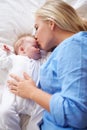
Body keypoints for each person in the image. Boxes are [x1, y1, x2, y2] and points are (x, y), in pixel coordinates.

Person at [8, 0, 87, 130]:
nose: (35, 35)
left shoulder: (74, 46)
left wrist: (32, 92)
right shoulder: (64, 50)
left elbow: (77, 115)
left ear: (51, 23)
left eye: (37, 27)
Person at [0, 34, 50, 130]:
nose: (38, 49)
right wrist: (4, 50)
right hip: (14, 95)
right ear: (22, 50)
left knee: (41, 114)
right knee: (5, 112)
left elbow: (47, 53)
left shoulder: (41, 61)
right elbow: (2, 61)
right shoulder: (15, 59)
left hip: (35, 99)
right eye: (35, 47)